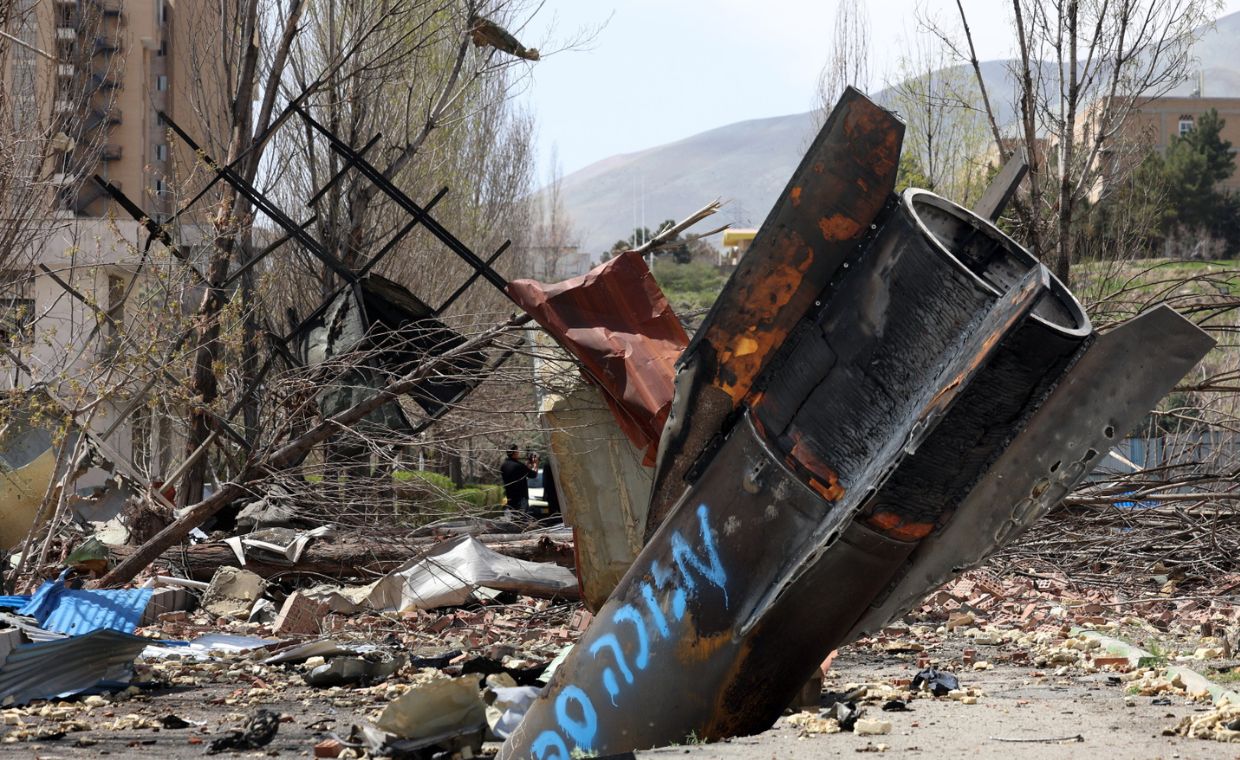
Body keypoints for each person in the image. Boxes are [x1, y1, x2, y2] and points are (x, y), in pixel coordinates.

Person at [500, 444, 539, 517]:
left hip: (510, 498)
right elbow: (533, 475)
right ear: (514, 453)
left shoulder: (504, 466)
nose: (519, 453)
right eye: (517, 451)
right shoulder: (518, 466)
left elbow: (518, 473)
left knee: (515, 520)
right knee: (522, 519)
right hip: (521, 498)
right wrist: (536, 464)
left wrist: (526, 466)